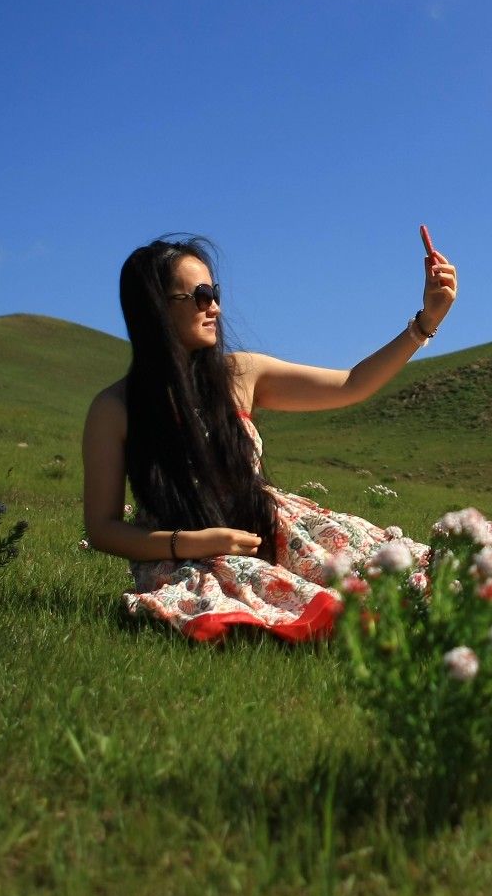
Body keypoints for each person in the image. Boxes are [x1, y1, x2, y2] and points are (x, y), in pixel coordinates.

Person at [81, 231, 457, 644]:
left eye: (215, 292)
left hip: (275, 527)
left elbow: (352, 384)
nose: (215, 307)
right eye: (201, 295)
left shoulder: (240, 374)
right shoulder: (114, 409)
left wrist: (426, 322)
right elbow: (102, 528)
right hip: (183, 555)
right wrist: (192, 542)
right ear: (155, 307)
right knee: (272, 601)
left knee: (409, 575)